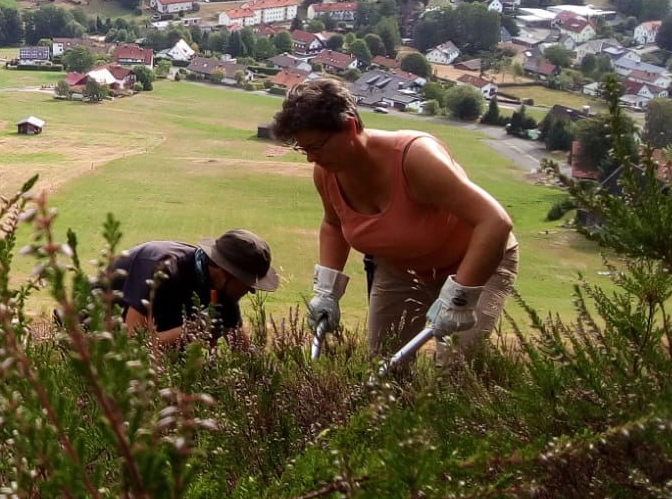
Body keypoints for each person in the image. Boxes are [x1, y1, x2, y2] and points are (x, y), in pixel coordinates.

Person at [271, 77, 518, 361]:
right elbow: (334, 224)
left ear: (349, 127)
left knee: (457, 365)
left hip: (477, 263)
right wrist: (326, 292)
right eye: (303, 149)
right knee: (384, 361)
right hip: (401, 269)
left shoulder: (415, 158)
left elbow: (495, 222)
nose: (311, 159)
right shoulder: (327, 173)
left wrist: (460, 297)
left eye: (317, 146)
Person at [101, 229, 281, 347]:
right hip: (97, 338)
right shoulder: (159, 269)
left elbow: (244, 353)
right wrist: (191, 331)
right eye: (247, 282)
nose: (252, 291)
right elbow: (133, 346)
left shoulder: (222, 291)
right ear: (226, 273)